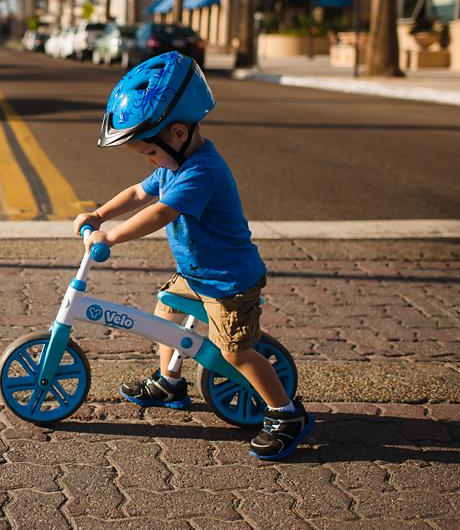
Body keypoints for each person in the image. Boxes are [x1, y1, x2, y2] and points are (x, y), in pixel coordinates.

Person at [73, 51, 314, 461]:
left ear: (178, 134)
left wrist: (109, 237)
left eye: (149, 152)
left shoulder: (201, 172)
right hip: (197, 272)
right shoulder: (172, 164)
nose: (149, 161)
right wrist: (98, 213)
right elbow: (137, 193)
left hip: (229, 281)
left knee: (235, 351)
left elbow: (160, 212)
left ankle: (285, 413)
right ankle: (170, 382)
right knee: (165, 311)